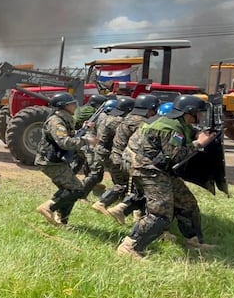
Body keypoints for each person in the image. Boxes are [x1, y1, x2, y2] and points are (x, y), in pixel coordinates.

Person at [116, 95, 217, 259]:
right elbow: (176, 156)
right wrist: (199, 143)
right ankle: (129, 246)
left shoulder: (177, 122)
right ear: (189, 112)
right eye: (199, 112)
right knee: (160, 214)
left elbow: (188, 134)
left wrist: (199, 134)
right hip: (146, 168)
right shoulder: (170, 128)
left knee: (187, 203)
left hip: (156, 167)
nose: (201, 116)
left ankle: (194, 242)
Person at [35, 93, 98, 226]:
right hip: (50, 162)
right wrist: (86, 140)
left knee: (69, 190)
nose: (75, 106)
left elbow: (67, 135)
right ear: (63, 106)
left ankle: (62, 221)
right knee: (76, 190)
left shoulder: (64, 119)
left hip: (56, 161)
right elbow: (64, 142)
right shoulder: (56, 121)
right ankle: (48, 207)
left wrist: (83, 130)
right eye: (72, 103)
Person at [97, 94, 160, 224]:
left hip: (119, 156)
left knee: (133, 188)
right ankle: (117, 208)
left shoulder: (128, 118)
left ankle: (135, 215)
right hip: (128, 159)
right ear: (150, 109)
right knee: (132, 187)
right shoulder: (140, 122)